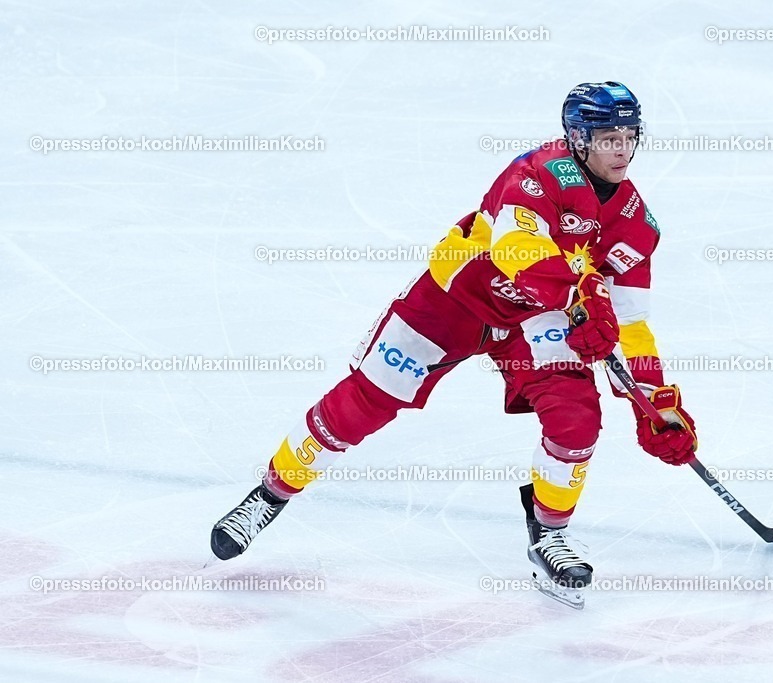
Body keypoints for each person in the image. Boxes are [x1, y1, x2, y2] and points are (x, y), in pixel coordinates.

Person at [210, 81, 698, 609]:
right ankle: (271, 493)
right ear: (578, 138)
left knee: (576, 418)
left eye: (629, 136)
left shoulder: (634, 223)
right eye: (607, 137)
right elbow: (516, 251)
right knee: (365, 402)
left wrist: (656, 401)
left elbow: (634, 324)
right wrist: (579, 294)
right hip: (458, 296)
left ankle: (550, 533)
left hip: (536, 319)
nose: (621, 150)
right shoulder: (533, 175)